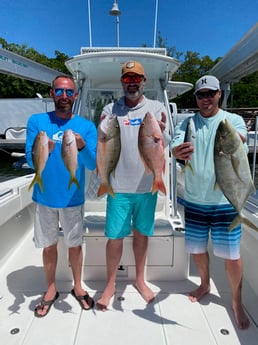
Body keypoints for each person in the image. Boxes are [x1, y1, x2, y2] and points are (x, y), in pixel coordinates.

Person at [171, 75, 250, 330]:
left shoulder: (232, 120)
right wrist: (176, 151)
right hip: (194, 199)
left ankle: (236, 301)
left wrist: (237, 138)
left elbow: (241, 139)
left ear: (219, 95)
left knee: (232, 255)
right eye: (200, 94)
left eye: (210, 93)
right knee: (197, 249)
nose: (205, 98)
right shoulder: (188, 123)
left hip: (225, 201)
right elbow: (175, 144)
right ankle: (204, 283)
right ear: (196, 98)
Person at [96, 60, 169, 311]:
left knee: (141, 234)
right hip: (117, 186)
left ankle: (140, 279)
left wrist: (161, 131)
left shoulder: (156, 107)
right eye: (127, 78)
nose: (132, 82)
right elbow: (103, 139)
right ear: (122, 82)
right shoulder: (111, 109)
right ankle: (110, 285)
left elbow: (165, 141)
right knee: (114, 238)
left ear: (144, 81)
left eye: (136, 78)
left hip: (147, 186)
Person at [26, 75, 97, 317]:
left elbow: (92, 162)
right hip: (44, 196)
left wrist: (82, 147)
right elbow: (30, 159)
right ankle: (51, 289)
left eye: (69, 92)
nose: (64, 96)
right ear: (51, 93)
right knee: (49, 246)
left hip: (72, 199)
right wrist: (42, 149)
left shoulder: (86, 127)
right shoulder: (36, 121)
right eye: (59, 91)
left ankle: (78, 286)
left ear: (75, 96)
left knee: (75, 245)